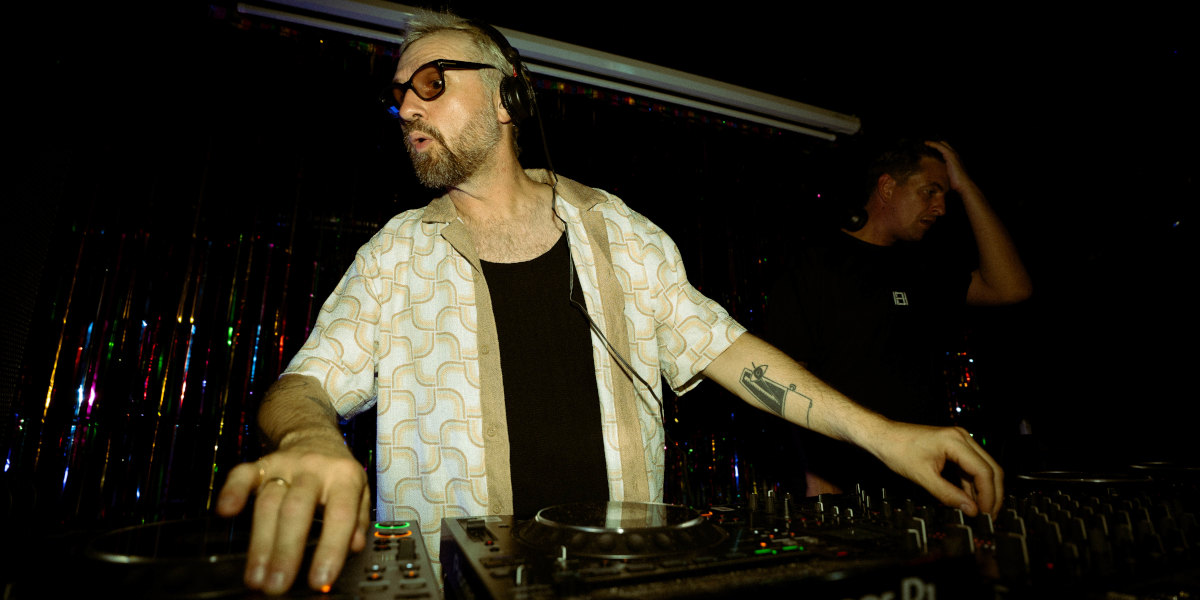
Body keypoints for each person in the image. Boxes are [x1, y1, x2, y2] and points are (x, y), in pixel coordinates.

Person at [215, 13, 1005, 596]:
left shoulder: (617, 231)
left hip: (621, 584)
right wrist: (313, 440)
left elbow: (728, 351)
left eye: (432, 82)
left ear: (507, 99)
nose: (409, 107)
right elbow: (302, 386)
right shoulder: (396, 252)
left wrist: (885, 436)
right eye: (399, 95)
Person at [766, 139, 1032, 499]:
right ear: (888, 187)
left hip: (928, 478)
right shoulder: (815, 263)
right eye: (930, 192)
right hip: (846, 481)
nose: (940, 208)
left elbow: (1012, 288)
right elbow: (785, 377)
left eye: (945, 196)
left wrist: (966, 186)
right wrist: (813, 471)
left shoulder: (925, 268)